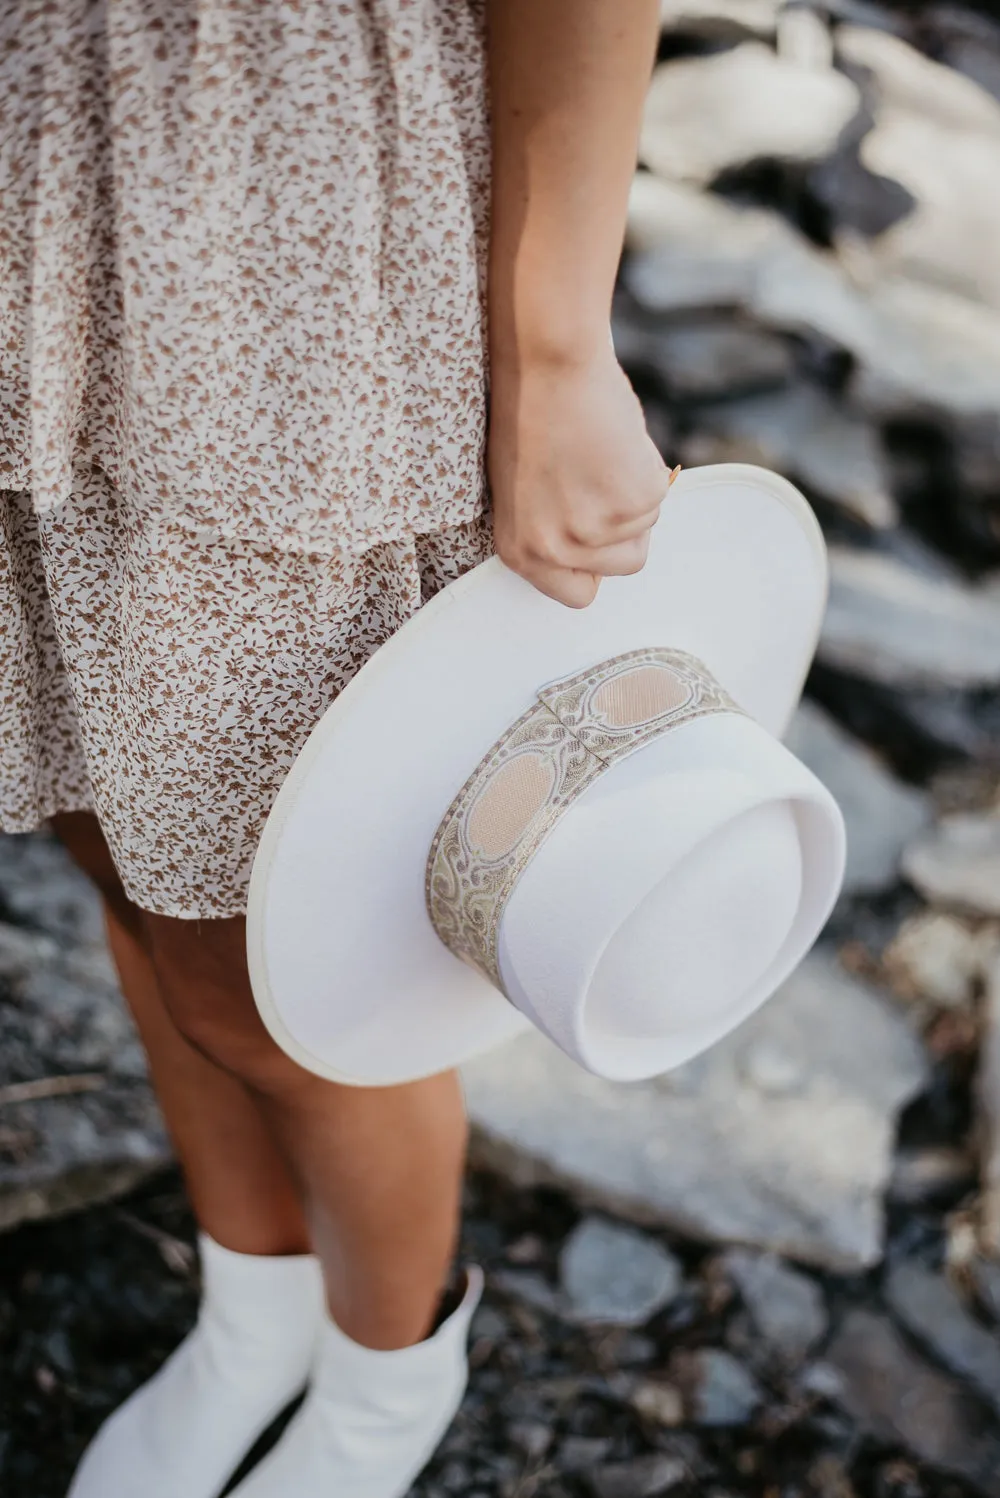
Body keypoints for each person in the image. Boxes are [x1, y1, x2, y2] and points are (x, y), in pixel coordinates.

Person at [0, 2, 671, 1493]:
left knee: (280, 976)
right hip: (35, 217)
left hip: (267, 307)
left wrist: (557, 344)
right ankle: (257, 1306)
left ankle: (390, 1368)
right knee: (116, 844)